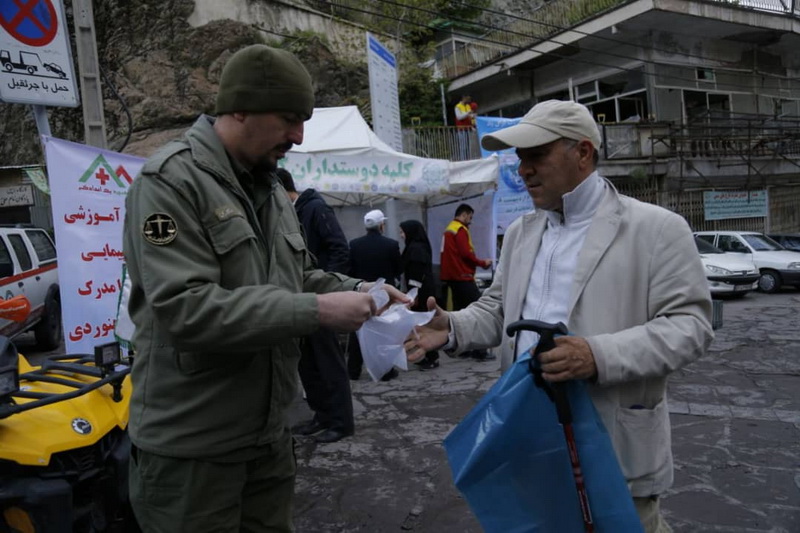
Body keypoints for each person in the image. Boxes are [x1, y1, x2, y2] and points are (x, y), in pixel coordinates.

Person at [122, 44, 408, 532]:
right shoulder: (169, 183)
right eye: (288, 119)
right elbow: (185, 309)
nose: (298, 136)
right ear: (239, 108)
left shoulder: (271, 187)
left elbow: (296, 277)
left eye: (304, 121)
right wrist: (315, 311)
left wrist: (363, 289)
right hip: (194, 450)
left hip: (267, 440)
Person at [406, 99, 714, 532]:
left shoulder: (657, 229)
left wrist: (597, 355)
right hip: (532, 440)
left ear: (583, 153)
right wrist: (452, 326)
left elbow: (691, 326)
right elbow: (498, 310)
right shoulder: (521, 232)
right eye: (519, 158)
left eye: (537, 155)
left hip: (614, 447)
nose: (523, 169)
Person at [276, 168, 355, 444]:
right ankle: (321, 415)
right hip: (300, 301)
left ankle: (341, 422)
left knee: (328, 362)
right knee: (308, 364)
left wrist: (329, 291)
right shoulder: (291, 213)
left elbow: (339, 249)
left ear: (284, 190)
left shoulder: (316, 208)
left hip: (321, 298)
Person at [347, 209, 402, 381]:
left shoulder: (354, 244)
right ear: (381, 225)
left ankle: (353, 370)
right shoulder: (391, 245)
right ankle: (385, 370)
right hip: (384, 295)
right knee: (383, 332)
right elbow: (398, 269)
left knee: (357, 329)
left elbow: (350, 269)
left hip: (361, 292)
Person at [439, 203, 493, 360]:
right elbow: (465, 254)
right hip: (462, 277)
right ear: (464, 214)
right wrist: (483, 263)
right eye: (470, 217)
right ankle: (479, 351)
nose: (471, 220)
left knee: (459, 313)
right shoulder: (460, 230)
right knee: (477, 312)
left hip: (452, 278)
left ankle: (462, 349)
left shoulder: (449, 229)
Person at [399, 219, 439, 370]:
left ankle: (432, 357)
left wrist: (413, 295)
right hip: (422, 291)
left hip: (421, 293)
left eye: (402, 232)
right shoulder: (417, 247)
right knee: (422, 323)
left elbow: (417, 274)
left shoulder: (416, 249)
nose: (402, 235)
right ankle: (428, 355)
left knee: (424, 324)